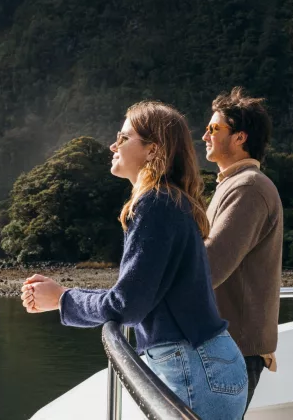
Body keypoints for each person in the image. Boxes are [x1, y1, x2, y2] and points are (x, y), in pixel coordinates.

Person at [20, 101, 248, 420]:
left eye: (123, 137)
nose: (113, 145)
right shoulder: (169, 202)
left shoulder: (155, 205)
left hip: (193, 370)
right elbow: (134, 296)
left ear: (152, 150)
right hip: (206, 366)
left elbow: (126, 306)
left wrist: (61, 299)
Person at [201, 88, 284, 413]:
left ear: (240, 137)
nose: (205, 134)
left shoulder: (248, 187)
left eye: (214, 128)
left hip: (233, 350)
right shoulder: (233, 184)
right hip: (226, 346)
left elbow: (209, 267)